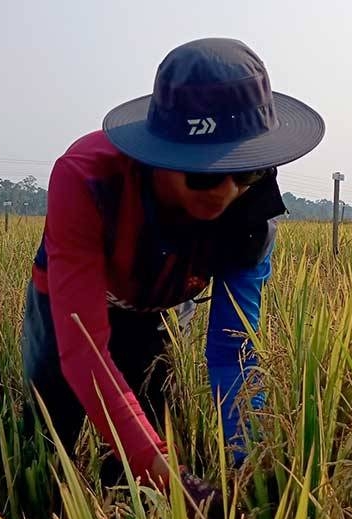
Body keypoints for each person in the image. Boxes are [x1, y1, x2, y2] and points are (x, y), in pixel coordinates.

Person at [21, 37, 325, 493]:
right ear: (160, 155)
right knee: (49, 433)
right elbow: (83, 349)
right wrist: (168, 475)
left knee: (146, 429)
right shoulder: (88, 179)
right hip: (75, 303)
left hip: (160, 305)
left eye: (244, 171)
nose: (224, 193)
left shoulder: (251, 219)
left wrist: (249, 469)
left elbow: (233, 353)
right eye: (202, 174)